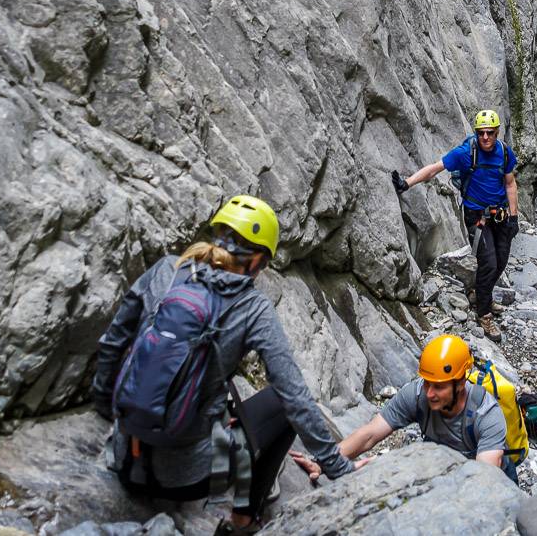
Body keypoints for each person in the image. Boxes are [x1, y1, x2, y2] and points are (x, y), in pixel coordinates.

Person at [92, 194, 365, 534]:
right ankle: (243, 521)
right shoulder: (251, 307)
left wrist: (108, 409)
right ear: (256, 262)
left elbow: (113, 342)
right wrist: (340, 469)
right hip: (190, 480)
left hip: (123, 459)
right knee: (279, 404)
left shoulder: (167, 270)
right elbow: (295, 399)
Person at [290, 334, 520, 484]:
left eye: (438, 387)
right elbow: (370, 434)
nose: (429, 393)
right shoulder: (418, 393)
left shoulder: (486, 414)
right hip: (444, 469)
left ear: (460, 383)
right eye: (427, 383)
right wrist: (323, 461)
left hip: (492, 479)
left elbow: (485, 480)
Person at [391, 109, 519, 341]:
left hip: (500, 216)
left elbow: (510, 184)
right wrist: (406, 183)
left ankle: (481, 294)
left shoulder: (505, 153)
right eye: (481, 133)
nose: (485, 138)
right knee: (488, 262)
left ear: (497, 132)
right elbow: (435, 168)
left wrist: (513, 217)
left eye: (490, 133)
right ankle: (484, 313)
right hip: (477, 217)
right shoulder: (466, 153)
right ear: (477, 133)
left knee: (500, 262)